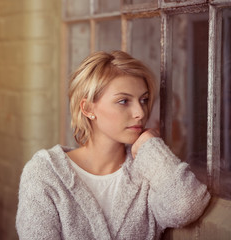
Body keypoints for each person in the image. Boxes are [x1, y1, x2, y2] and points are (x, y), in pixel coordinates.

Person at [16, 50, 210, 240]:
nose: (140, 113)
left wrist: (149, 147)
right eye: (123, 101)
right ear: (88, 108)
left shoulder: (148, 172)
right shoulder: (46, 173)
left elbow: (186, 206)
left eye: (143, 100)